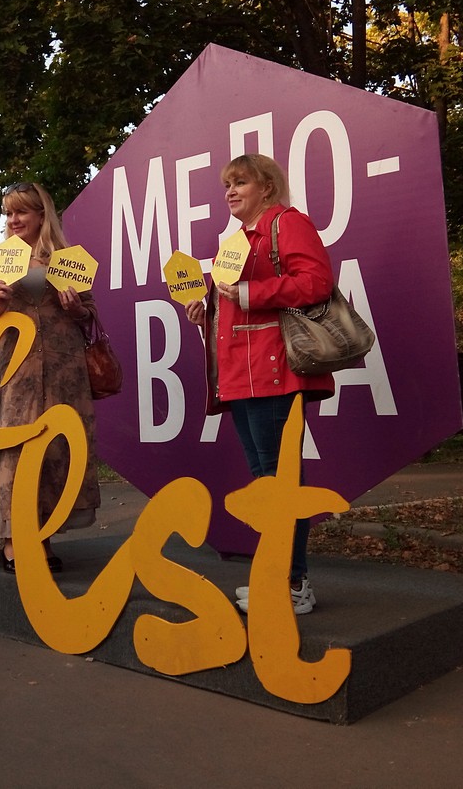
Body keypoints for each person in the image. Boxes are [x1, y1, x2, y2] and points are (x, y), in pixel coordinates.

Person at [185, 154, 335, 614]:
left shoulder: (286, 222)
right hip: (241, 376)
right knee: (265, 484)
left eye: (240, 182)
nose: (230, 191)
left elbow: (316, 282)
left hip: (274, 372)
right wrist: (205, 312)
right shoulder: (236, 241)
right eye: (227, 184)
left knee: (280, 481)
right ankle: (277, 576)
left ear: (266, 187)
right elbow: (236, 309)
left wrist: (250, 293)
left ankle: (294, 584)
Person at [0, 181, 101, 574]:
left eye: (21, 212)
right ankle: (13, 542)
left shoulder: (67, 259)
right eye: (8, 213)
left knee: (58, 449)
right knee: (19, 448)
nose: (13, 220)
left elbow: (91, 315)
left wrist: (77, 308)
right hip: (20, 370)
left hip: (65, 371)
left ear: (41, 216)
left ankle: (41, 538)